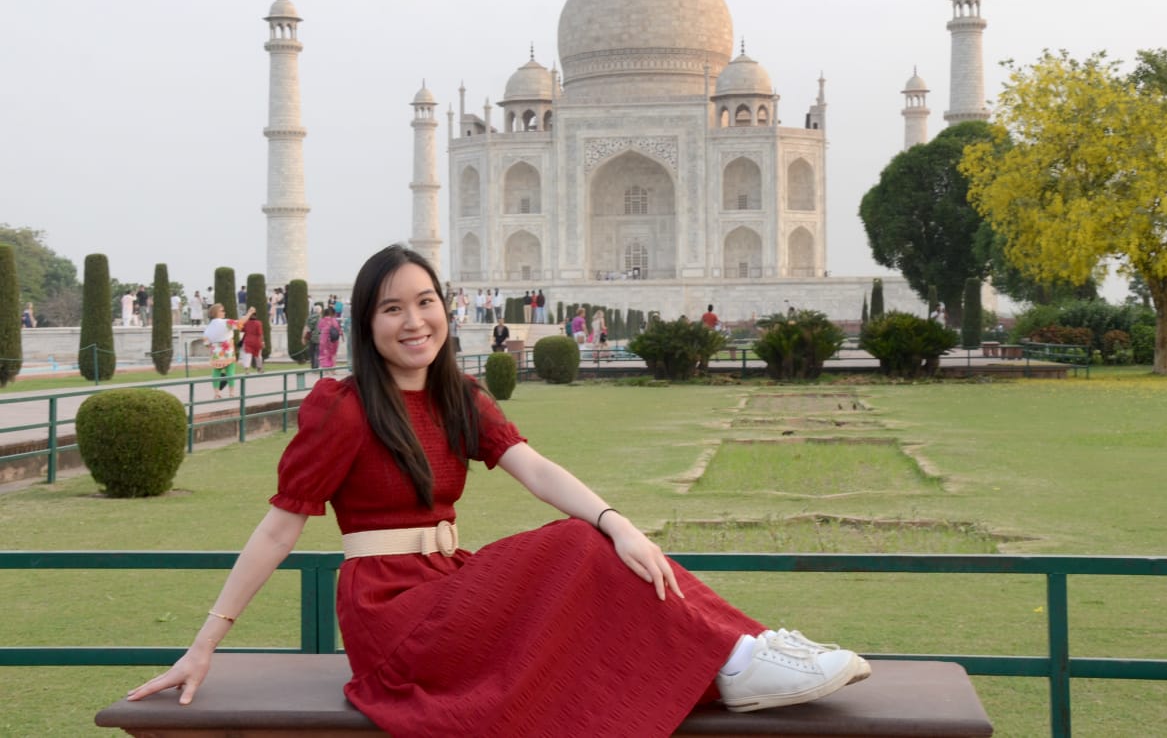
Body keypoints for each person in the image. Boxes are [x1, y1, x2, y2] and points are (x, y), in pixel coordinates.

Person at [126, 244, 867, 735]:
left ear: (445, 306)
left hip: (447, 584)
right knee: (574, 549)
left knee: (608, 549)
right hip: (392, 614)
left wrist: (620, 520)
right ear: (366, 323)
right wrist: (204, 645)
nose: (414, 321)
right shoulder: (345, 408)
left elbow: (534, 468)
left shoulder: (458, 396)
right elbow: (279, 529)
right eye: (392, 309)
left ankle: (745, 650)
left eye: (424, 302)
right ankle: (739, 663)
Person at [203, 303, 254, 400]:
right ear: (216, 313)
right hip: (228, 352)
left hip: (216, 353)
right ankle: (231, 393)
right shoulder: (225, 322)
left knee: (216, 373)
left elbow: (206, 343)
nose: (224, 312)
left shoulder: (208, 327)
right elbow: (240, 322)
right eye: (222, 311)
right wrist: (249, 313)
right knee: (230, 371)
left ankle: (216, 393)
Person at [301, 304, 323, 369]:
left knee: (312, 352)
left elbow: (306, 328)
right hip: (319, 337)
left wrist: (303, 338)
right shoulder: (321, 318)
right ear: (320, 311)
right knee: (317, 353)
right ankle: (316, 367)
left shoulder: (309, 317)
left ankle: (313, 366)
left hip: (311, 337)